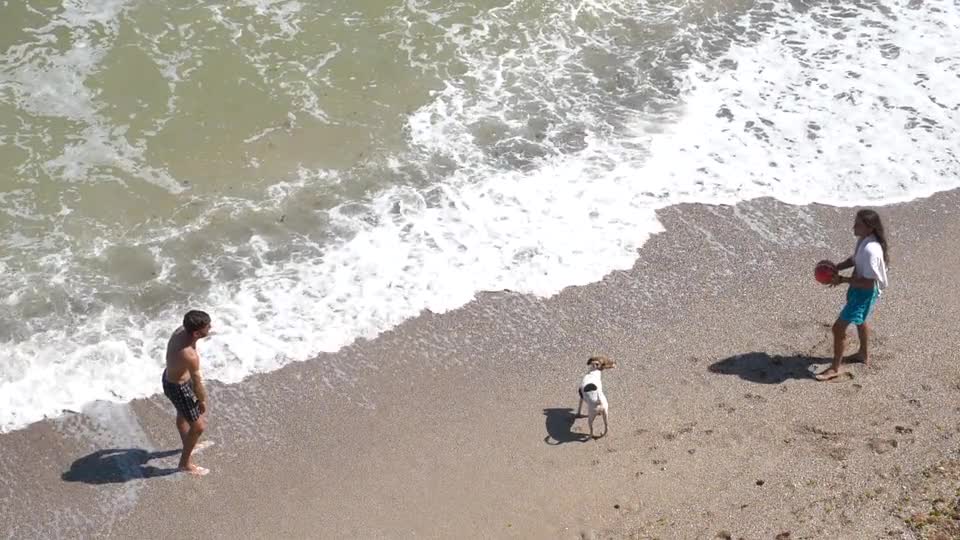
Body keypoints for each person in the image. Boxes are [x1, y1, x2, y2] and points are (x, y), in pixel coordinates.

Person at [816, 210, 889, 381]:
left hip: (864, 292)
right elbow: (855, 259)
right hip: (857, 288)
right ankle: (863, 354)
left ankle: (834, 368)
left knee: (838, 328)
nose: (853, 227)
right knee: (860, 320)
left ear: (869, 228)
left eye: (858, 224)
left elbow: (869, 283)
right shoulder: (864, 240)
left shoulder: (872, 250)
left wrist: (842, 279)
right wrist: (837, 267)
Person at [162, 310, 212, 475]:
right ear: (197, 333)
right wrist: (202, 401)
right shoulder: (190, 356)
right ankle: (184, 464)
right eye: (208, 327)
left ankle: (188, 443)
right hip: (178, 387)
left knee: (183, 415)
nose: (210, 328)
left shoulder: (181, 331)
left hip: (173, 376)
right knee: (198, 427)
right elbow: (197, 382)